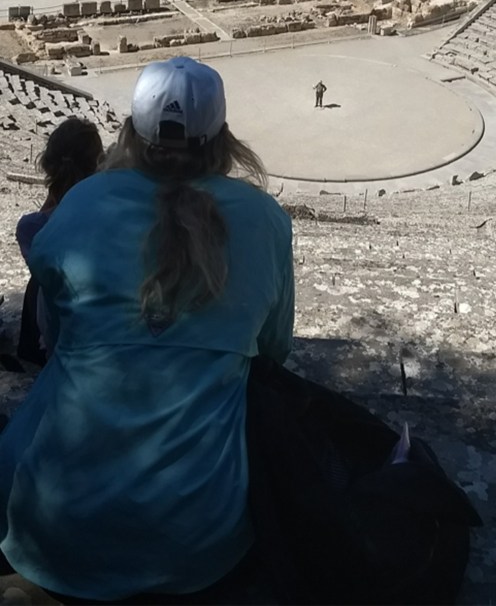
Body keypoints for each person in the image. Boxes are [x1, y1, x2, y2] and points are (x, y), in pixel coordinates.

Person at [0, 56, 295, 603]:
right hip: (200, 539)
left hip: (54, 521)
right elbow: (274, 352)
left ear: (129, 132)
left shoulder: (81, 203)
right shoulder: (266, 220)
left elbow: (58, 337)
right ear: (224, 138)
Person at [15, 117, 104, 365]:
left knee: (38, 283)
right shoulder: (112, 211)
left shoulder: (32, 228)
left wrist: (55, 192)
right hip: (106, 330)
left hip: (62, 339)